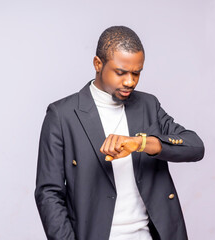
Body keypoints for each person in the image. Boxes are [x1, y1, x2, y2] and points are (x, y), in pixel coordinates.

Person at [35, 26, 204, 240]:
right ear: (98, 64)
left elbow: (195, 146)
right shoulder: (62, 115)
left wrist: (141, 143)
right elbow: (49, 193)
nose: (129, 81)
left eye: (136, 73)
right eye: (121, 72)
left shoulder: (148, 105)